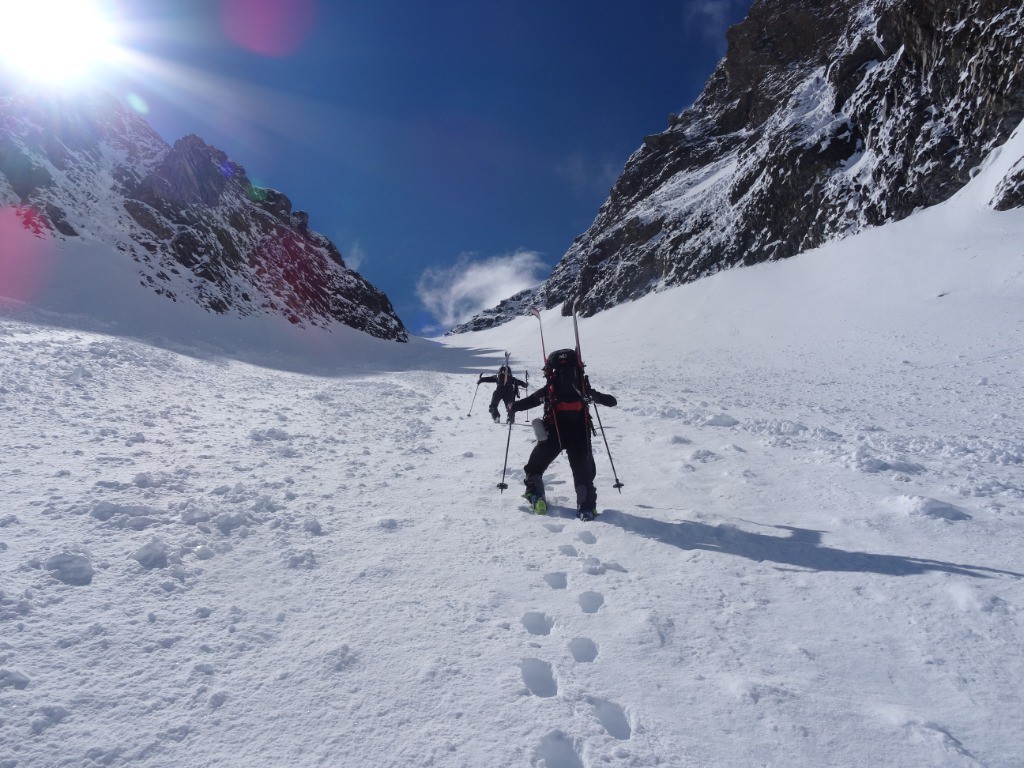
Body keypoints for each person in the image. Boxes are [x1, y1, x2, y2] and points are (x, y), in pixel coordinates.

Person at [508, 348, 617, 521]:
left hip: (554, 432)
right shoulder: (582, 387)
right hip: (580, 433)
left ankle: (536, 496)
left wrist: (512, 406)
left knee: (534, 466)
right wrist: (596, 396)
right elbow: (611, 401)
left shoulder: (550, 388)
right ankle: (586, 507)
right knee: (583, 472)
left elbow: (530, 401)